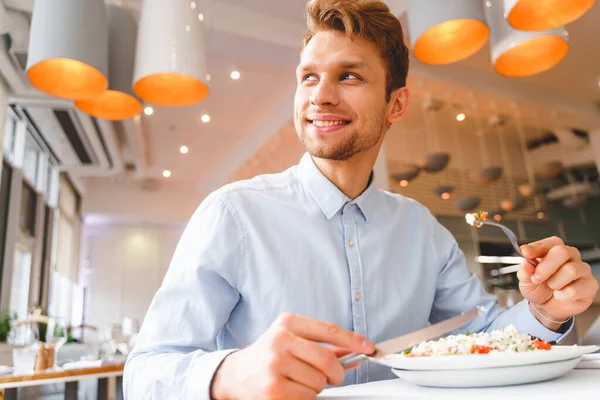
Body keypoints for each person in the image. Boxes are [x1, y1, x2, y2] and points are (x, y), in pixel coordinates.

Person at [123, 0, 600, 399]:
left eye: (349, 76)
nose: (320, 96)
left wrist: (546, 311)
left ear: (396, 104)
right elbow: (145, 372)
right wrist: (228, 374)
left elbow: (484, 337)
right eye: (308, 77)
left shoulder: (422, 231)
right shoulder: (232, 215)